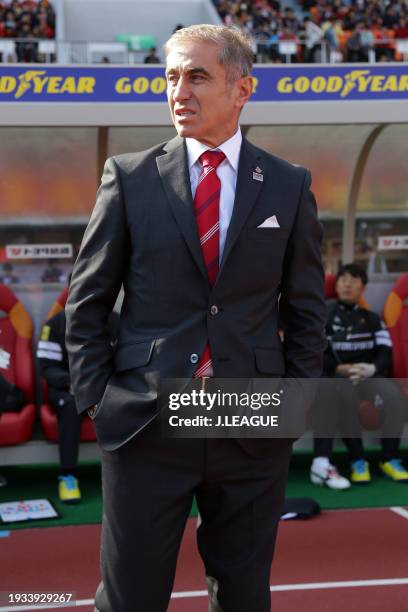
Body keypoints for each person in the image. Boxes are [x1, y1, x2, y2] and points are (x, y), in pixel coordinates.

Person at [66, 24, 326, 612]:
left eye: (198, 76)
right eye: (171, 77)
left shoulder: (288, 185)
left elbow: (309, 311)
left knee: (242, 595)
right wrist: (97, 400)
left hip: (251, 423)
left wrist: (296, 402)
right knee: (131, 598)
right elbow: (85, 301)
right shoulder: (130, 178)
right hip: (145, 418)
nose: (179, 91)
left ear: (242, 89)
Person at [310, 263, 408, 490]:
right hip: (338, 378)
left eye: (354, 281)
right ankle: (357, 460)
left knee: (393, 395)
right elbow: (315, 352)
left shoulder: (372, 318)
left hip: (369, 375)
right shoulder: (322, 315)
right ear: (337, 285)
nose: (347, 285)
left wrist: (371, 369)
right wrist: (338, 369)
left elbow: (385, 351)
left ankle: (389, 458)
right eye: (343, 280)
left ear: (362, 287)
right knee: (345, 397)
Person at [37, 309, 83, 503]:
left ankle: (123, 472)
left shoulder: (112, 320)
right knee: (71, 406)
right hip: (66, 388)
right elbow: (47, 368)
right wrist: (70, 382)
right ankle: (68, 476)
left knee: (124, 401)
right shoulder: (55, 324)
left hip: (101, 385)